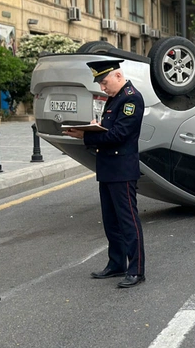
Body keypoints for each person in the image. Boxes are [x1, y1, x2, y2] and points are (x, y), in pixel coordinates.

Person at [63, 59, 146, 288]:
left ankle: (136, 269)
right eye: (100, 83)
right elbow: (109, 130)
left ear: (118, 76)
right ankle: (117, 263)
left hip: (122, 170)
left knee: (128, 221)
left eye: (104, 81)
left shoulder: (131, 98)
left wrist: (85, 136)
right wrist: (94, 126)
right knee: (111, 222)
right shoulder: (114, 98)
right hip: (108, 168)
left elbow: (118, 135)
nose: (102, 87)